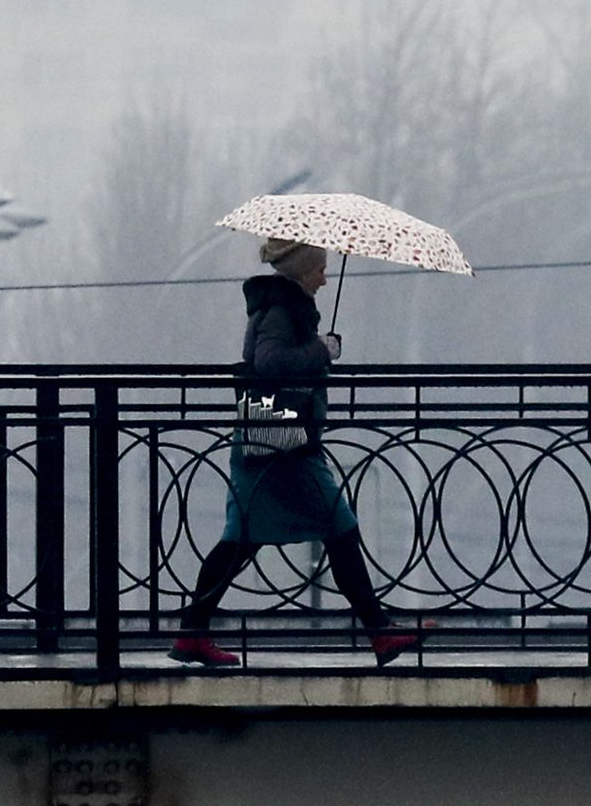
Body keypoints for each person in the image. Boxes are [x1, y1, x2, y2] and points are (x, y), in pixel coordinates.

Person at [172, 238, 424, 668]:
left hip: (268, 435)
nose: (324, 279)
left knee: (242, 539)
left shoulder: (282, 306)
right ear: (302, 272)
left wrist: (318, 350)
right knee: (337, 525)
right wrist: (322, 350)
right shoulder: (282, 310)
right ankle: (380, 632)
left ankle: (192, 634)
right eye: (319, 270)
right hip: (283, 440)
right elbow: (270, 363)